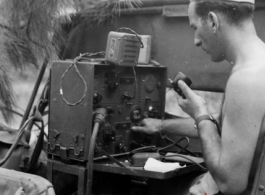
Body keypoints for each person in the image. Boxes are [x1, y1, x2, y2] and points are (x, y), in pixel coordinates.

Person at [132, 0, 265, 194]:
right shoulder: (258, 63)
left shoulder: (246, 79)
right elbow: (232, 133)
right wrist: (161, 126)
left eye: (195, 27)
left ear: (212, 21)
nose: (195, 40)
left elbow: (230, 184)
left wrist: (201, 114)